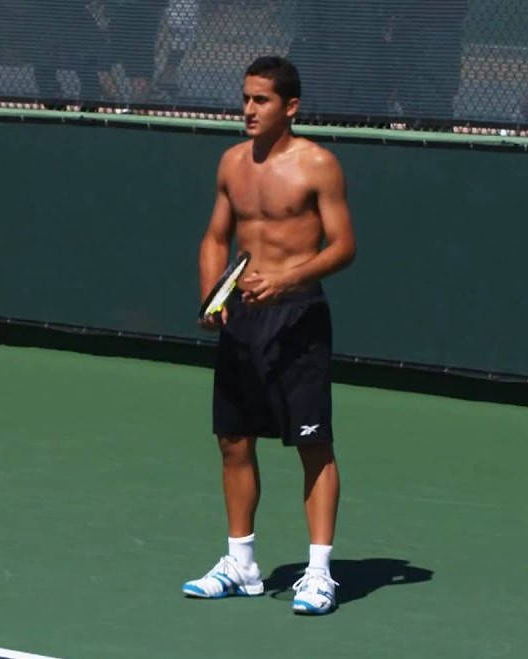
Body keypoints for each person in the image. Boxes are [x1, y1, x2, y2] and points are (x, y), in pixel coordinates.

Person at [184, 56, 356, 616]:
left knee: (313, 444)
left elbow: (343, 246)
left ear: (291, 107)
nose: (249, 110)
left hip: (298, 317)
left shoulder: (318, 165)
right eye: (246, 99)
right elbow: (215, 237)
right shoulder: (232, 163)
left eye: (261, 100)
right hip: (244, 322)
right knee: (233, 440)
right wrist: (213, 293)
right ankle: (241, 563)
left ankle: (319, 574)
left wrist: (285, 278)